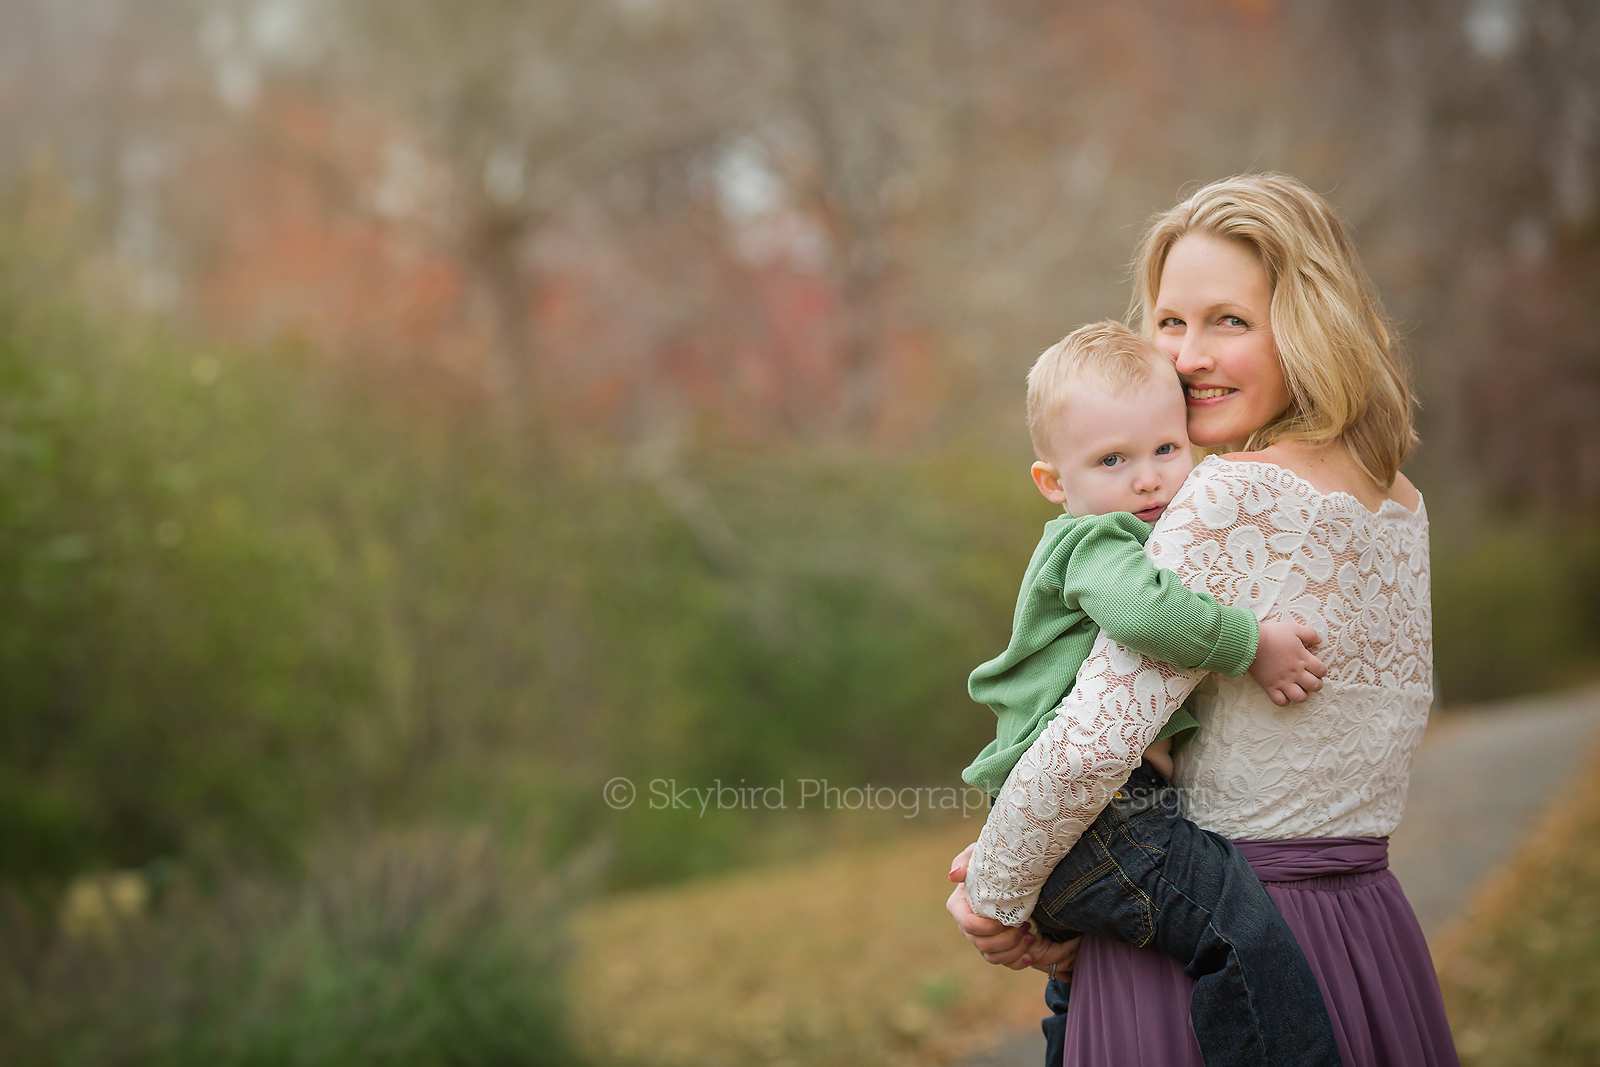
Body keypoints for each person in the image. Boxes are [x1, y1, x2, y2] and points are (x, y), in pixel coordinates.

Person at [946, 173, 1459, 1067]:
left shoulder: (1226, 494)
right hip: (1365, 929)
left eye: (1230, 321)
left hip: (1214, 951)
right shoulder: (1400, 501)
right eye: (1170, 322)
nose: (1186, 358)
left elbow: (1090, 744)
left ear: (1307, 323)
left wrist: (995, 890)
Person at [960, 318, 1340, 1067]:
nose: (1148, 477)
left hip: (1084, 817)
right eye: (1112, 459)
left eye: (1167, 448)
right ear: (1053, 483)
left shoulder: (1141, 532)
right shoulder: (1095, 543)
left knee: (1081, 983)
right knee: (1236, 924)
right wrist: (1250, 642)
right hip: (1091, 811)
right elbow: (1147, 614)